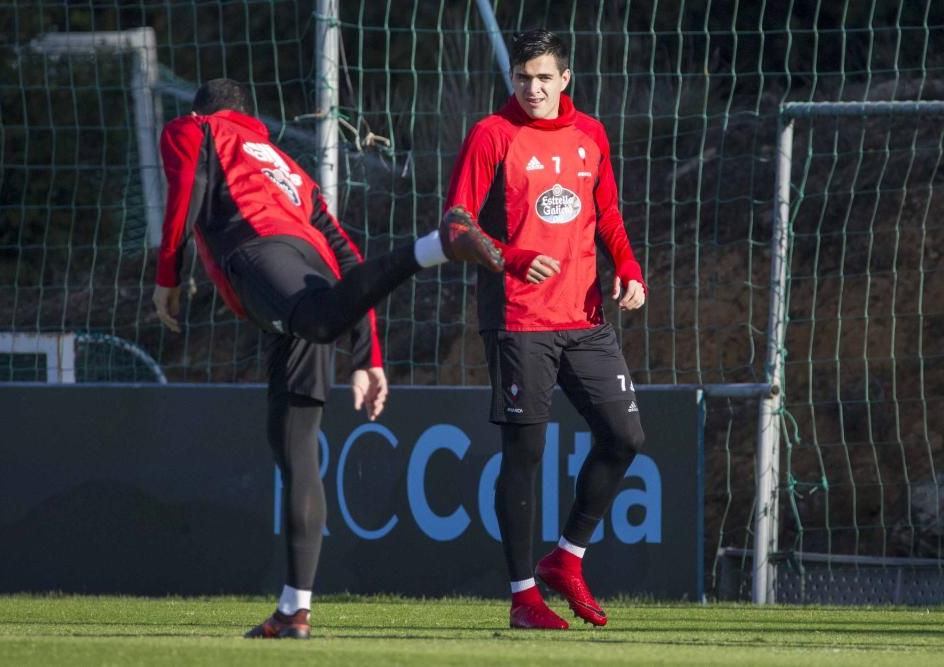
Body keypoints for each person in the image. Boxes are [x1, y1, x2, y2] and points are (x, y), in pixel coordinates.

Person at [152, 78, 502, 640]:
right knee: (294, 445)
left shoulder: (196, 129)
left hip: (260, 250)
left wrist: (168, 276)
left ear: (206, 111)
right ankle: (294, 610)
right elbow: (344, 251)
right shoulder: (289, 168)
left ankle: (433, 246)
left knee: (315, 321)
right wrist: (370, 356)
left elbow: (186, 189)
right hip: (309, 263)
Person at [444, 30, 647, 630]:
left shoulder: (591, 135)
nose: (531, 88)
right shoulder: (492, 135)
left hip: (585, 318)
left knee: (624, 437)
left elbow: (605, 212)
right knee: (525, 453)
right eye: (521, 77)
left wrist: (628, 266)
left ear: (565, 80)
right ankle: (523, 597)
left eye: (542, 77)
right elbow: (456, 225)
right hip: (518, 318)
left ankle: (567, 557)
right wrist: (507, 257)